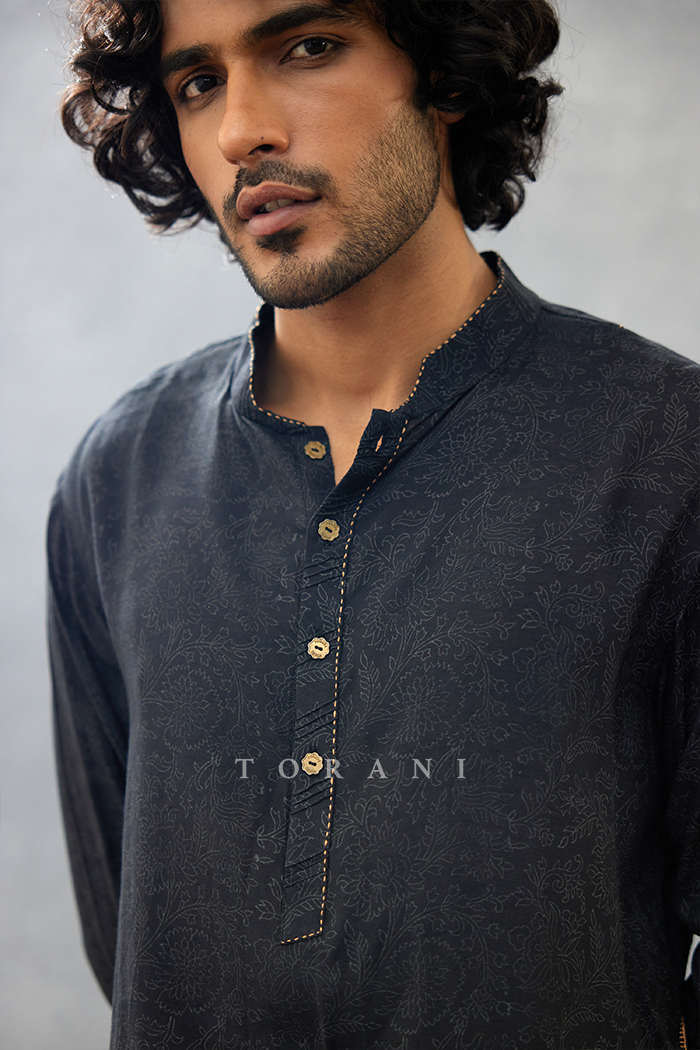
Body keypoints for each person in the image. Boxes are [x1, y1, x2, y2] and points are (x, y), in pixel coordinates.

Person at [49, 1, 699, 1047]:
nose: (241, 131)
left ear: (443, 74)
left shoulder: (667, 450)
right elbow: (132, 933)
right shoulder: (116, 478)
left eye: (307, 47)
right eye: (197, 83)